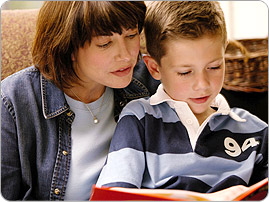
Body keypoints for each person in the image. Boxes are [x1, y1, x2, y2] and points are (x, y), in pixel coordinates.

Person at [96, 1, 268, 193]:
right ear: (154, 68)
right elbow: (114, 194)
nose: (202, 84)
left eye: (214, 67)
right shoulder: (139, 120)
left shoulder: (257, 131)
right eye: (185, 72)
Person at [1, 1, 160, 200]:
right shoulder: (13, 100)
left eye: (131, 35)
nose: (127, 55)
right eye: (105, 44)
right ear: (69, 47)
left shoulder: (151, 79)